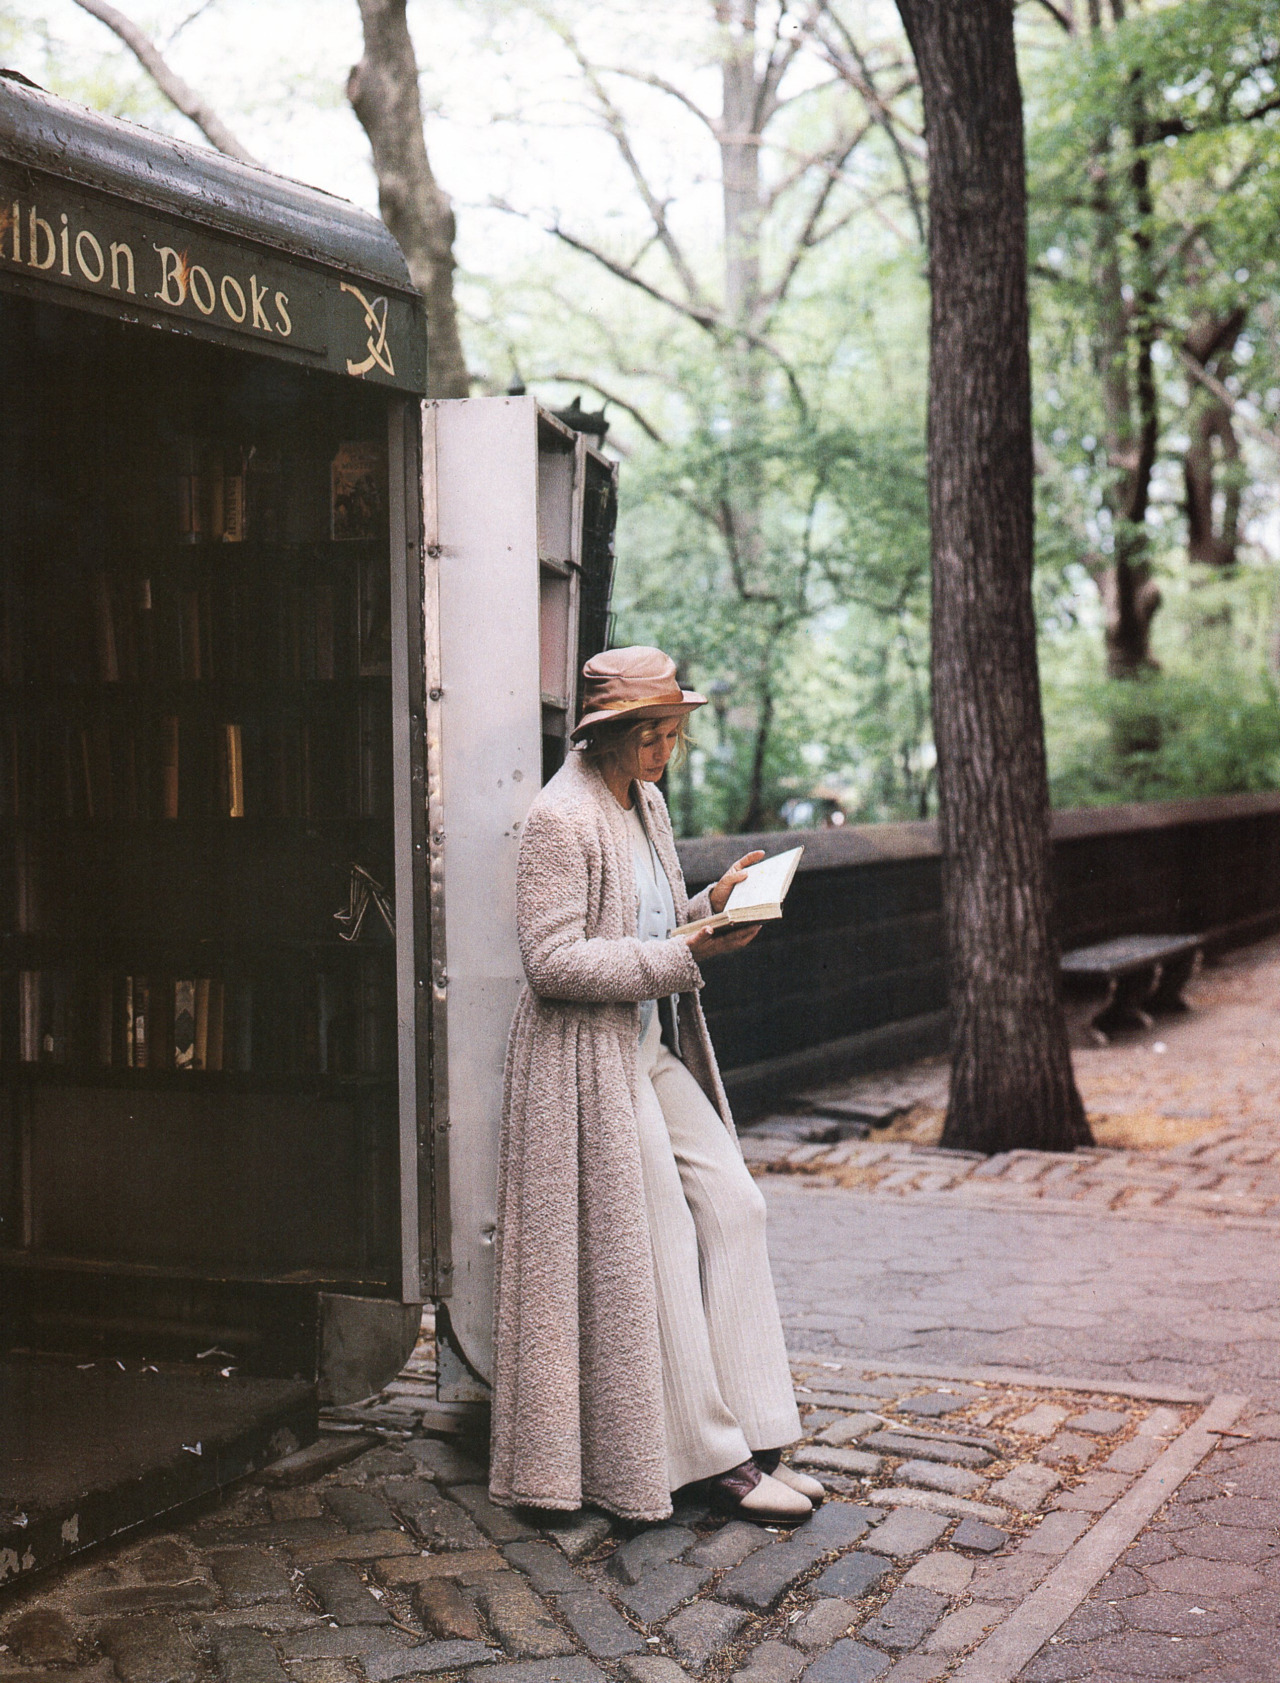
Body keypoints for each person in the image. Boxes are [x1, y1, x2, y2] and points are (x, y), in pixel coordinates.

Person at [489, 646, 824, 1526]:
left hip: (640, 1042)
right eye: (652, 734)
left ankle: (758, 1429)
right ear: (605, 733)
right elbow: (551, 961)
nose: (665, 751)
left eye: (673, 733)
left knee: (736, 1204)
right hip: (584, 1060)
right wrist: (682, 955)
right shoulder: (559, 817)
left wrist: (712, 905)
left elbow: (649, 922)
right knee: (663, 1238)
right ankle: (718, 1463)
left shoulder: (647, 803)